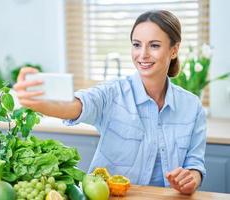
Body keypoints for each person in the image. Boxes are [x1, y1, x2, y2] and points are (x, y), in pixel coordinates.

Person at [13, 10, 206, 195]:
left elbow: (195, 165)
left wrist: (191, 181)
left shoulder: (192, 106)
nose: (143, 54)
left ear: (174, 50)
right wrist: (38, 102)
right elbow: (77, 105)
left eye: (154, 45)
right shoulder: (113, 94)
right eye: (137, 44)